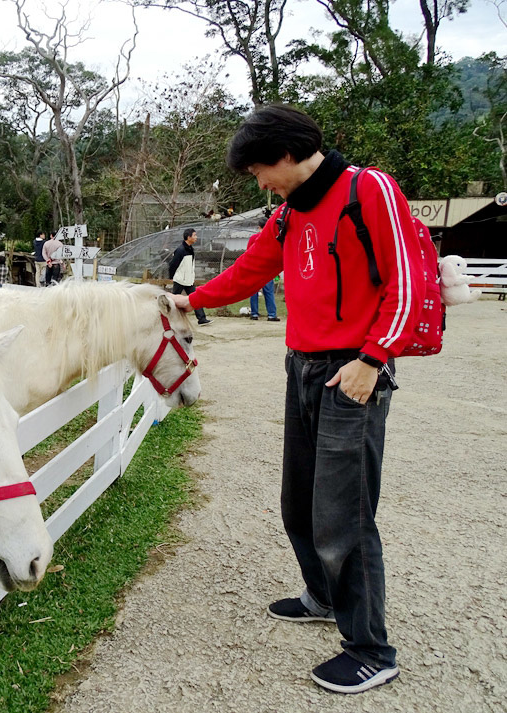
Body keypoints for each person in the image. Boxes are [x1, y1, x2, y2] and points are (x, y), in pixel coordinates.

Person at [173, 104, 424, 694]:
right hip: (302, 367)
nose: (260, 184)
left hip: (353, 372)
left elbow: (408, 279)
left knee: (345, 515)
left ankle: (370, 648)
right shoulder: (288, 216)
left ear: (287, 155)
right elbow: (251, 271)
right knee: (299, 502)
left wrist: (374, 358)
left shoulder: (370, 189)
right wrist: (191, 300)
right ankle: (321, 594)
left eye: (261, 171)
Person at [168, 228, 212, 326]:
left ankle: (202, 319)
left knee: (196, 298)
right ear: (189, 237)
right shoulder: (180, 250)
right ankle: (167, 318)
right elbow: (173, 264)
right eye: (194, 235)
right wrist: (171, 276)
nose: (196, 237)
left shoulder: (190, 249)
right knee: (173, 300)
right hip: (180, 280)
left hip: (188, 280)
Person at [247, 233, 280, 321]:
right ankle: (271, 315)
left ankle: (254, 314)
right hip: (267, 267)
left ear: (259, 227)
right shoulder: (271, 236)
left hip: (254, 267)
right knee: (269, 292)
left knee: (253, 292)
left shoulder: (253, 238)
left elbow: (248, 252)